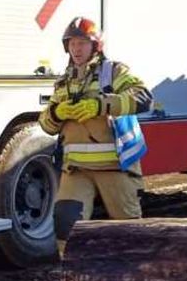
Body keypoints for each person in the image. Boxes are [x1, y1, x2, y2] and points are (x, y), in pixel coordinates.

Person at [39, 16, 153, 258]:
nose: (76, 49)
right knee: (65, 225)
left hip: (116, 166)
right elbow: (47, 126)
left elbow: (144, 98)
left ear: (95, 46)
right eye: (71, 44)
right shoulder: (64, 82)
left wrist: (101, 106)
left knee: (129, 231)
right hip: (77, 169)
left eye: (82, 43)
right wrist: (57, 113)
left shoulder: (114, 72)